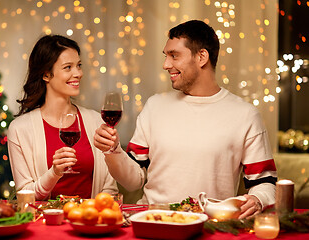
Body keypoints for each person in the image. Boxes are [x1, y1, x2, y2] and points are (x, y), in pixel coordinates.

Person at [93, 20, 277, 219]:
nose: (166, 65)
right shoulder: (155, 106)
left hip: (210, 226)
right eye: (166, 56)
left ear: (201, 57)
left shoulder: (245, 115)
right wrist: (113, 150)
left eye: (174, 56)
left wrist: (259, 199)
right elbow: (133, 181)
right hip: (152, 221)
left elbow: (264, 183)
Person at [8, 35, 118, 200]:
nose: (78, 73)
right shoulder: (19, 129)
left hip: (89, 220)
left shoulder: (97, 122)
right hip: (44, 223)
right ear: (46, 75)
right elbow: (25, 196)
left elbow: (110, 190)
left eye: (79, 66)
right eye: (68, 67)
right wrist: (54, 173)